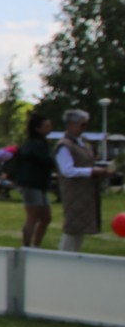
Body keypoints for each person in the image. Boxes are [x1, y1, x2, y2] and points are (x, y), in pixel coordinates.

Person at [54, 108, 110, 252]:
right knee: (72, 228)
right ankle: (63, 258)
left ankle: (72, 256)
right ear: (71, 124)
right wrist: (91, 171)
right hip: (74, 192)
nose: (85, 128)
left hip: (85, 192)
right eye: (82, 124)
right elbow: (67, 170)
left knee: (79, 229)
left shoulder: (83, 143)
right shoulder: (64, 145)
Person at [15, 112, 56, 248]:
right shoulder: (34, 145)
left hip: (40, 184)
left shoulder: (39, 144)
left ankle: (36, 245)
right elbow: (46, 161)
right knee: (32, 216)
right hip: (31, 184)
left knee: (46, 217)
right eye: (47, 126)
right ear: (37, 128)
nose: (49, 129)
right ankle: (26, 246)